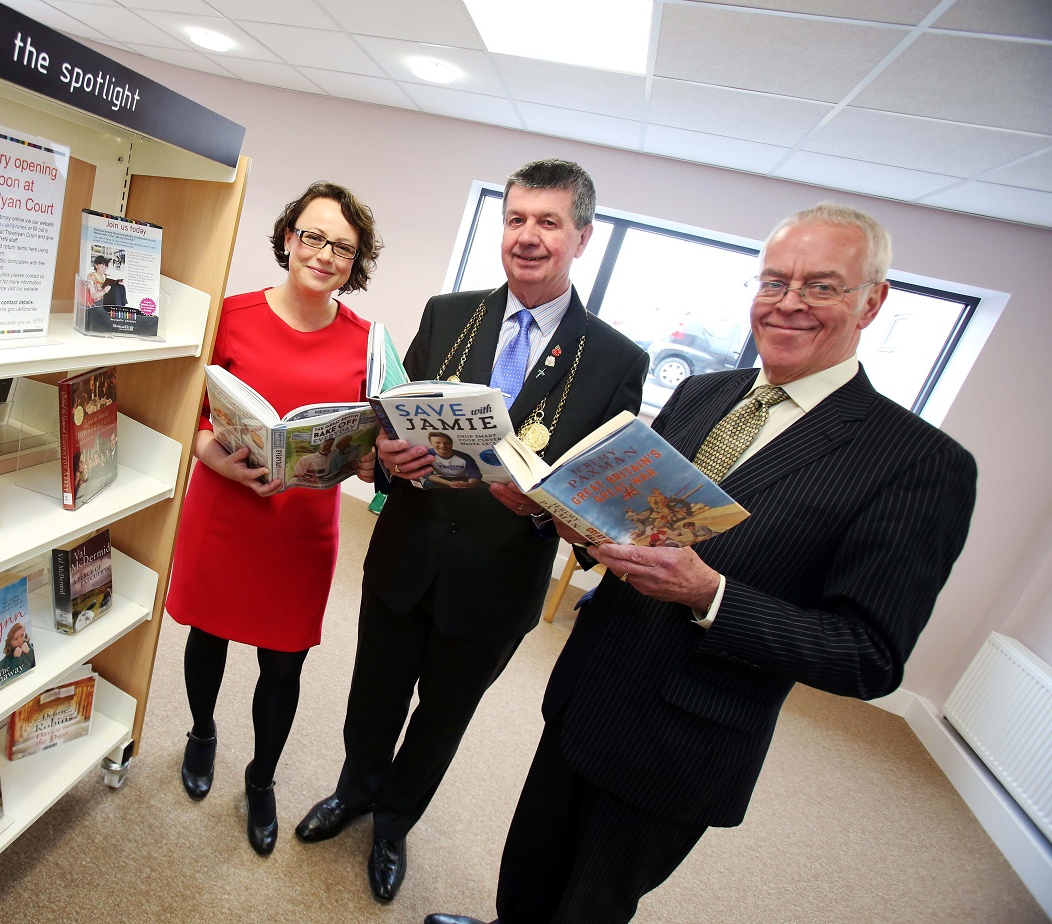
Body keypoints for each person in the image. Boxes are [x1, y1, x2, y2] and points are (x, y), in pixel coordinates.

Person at [424, 203, 978, 924]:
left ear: (873, 300)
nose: (788, 304)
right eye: (774, 281)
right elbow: (646, 525)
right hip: (587, 688)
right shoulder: (702, 391)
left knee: (590, 903)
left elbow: (869, 655)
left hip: (685, 734)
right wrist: (569, 516)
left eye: (821, 286)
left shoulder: (919, 463)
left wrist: (713, 595)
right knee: (530, 868)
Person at [296, 159, 648, 902]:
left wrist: (552, 508)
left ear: (582, 236)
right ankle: (356, 791)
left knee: (442, 718)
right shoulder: (450, 313)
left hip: (500, 579)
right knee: (373, 694)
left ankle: (392, 822)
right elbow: (394, 425)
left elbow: (602, 497)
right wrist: (386, 457)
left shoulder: (617, 359)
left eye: (548, 222)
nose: (528, 237)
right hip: (407, 553)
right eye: (516, 219)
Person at [164, 180, 382, 857]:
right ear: (289, 237)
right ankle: (202, 732)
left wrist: (370, 463)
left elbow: (374, 438)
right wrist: (210, 452)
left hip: (302, 527)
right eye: (312, 236)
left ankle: (261, 779)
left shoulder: (369, 343)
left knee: (283, 665)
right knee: (208, 635)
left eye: (342, 247)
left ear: (356, 262)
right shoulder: (227, 315)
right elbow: (187, 410)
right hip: (225, 506)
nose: (323, 254)